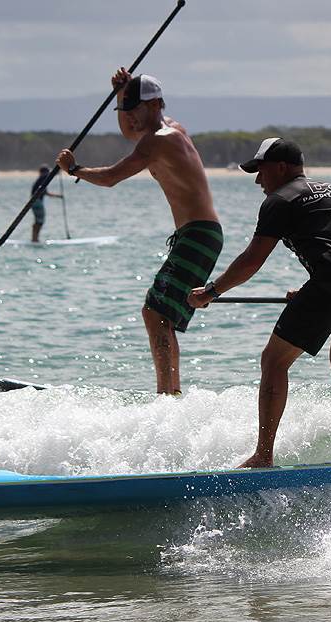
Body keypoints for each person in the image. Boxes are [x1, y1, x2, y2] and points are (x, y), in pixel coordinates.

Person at [188, 138, 331, 467]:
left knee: (273, 361)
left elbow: (252, 260)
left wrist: (211, 291)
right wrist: (312, 291)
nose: (258, 180)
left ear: (281, 167)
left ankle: (263, 455)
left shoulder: (279, 201)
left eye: (261, 171)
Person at [56, 69, 223, 395]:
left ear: (157, 103)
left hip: (199, 234)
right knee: (159, 314)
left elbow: (110, 178)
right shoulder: (170, 130)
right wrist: (122, 93)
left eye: (136, 110)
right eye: (126, 111)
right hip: (198, 234)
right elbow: (130, 132)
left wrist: (74, 169)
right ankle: (171, 393)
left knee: (155, 313)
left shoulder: (159, 140)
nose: (130, 117)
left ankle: (167, 395)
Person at [30, 165, 63, 242]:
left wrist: (58, 196)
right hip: (37, 202)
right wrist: (58, 169)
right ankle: (35, 240)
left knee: (38, 221)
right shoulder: (42, 178)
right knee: (40, 221)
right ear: (44, 172)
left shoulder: (41, 181)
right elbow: (49, 175)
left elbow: (46, 193)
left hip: (34, 202)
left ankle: (34, 239)